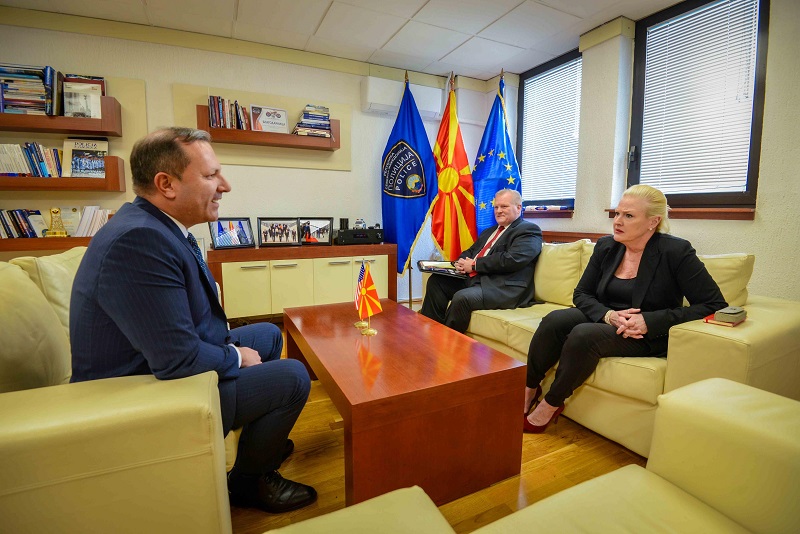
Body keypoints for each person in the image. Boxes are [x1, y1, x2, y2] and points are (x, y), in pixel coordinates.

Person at [70, 127, 317, 513]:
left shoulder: (152, 225)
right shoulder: (139, 241)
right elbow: (177, 359)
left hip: (157, 365)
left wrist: (231, 349)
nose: (225, 185)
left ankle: (262, 441)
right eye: (211, 175)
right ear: (166, 184)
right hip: (146, 392)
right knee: (294, 377)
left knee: (270, 335)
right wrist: (235, 357)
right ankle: (249, 481)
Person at [523, 185, 727, 433]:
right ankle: (529, 390)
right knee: (554, 320)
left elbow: (714, 304)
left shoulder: (676, 252)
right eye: (617, 213)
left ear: (653, 222)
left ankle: (551, 405)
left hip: (645, 332)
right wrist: (608, 315)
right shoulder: (607, 246)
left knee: (583, 334)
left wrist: (649, 321)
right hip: (608, 317)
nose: (618, 221)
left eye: (628, 216)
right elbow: (582, 294)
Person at [420, 189, 543, 333]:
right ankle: (430, 333)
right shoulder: (489, 231)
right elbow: (471, 251)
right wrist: (461, 262)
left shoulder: (528, 230)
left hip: (503, 288)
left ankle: (447, 340)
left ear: (518, 207)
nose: (498, 211)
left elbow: (512, 259)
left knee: (462, 298)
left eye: (504, 206)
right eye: (496, 207)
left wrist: (474, 265)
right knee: (437, 282)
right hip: (478, 281)